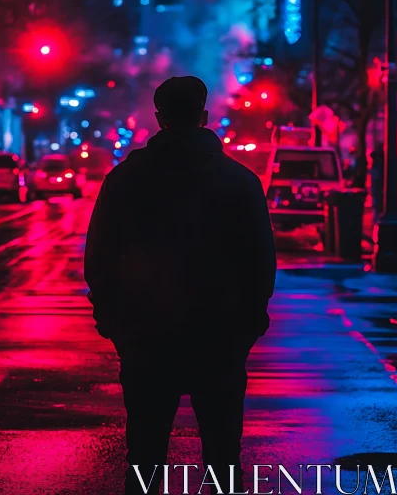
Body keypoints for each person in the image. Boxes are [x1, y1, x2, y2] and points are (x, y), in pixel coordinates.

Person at [84, 76, 276, 494]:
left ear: (160, 119)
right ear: (203, 116)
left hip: (146, 336)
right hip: (219, 335)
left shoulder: (124, 180)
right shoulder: (240, 182)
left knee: (145, 455)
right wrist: (247, 324)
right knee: (224, 456)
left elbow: (99, 258)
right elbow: (260, 262)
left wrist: (113, 320)